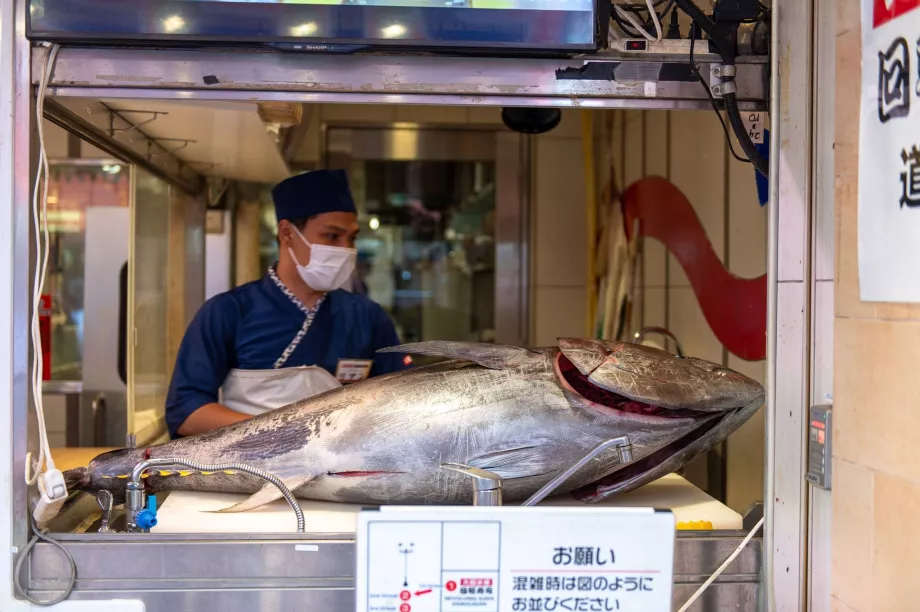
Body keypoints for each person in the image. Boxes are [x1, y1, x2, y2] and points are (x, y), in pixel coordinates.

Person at [165, 170, 411, 439]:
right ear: (287, 233)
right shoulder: (228, 312)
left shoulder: (367, 317)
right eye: (332, 236)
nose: (346, 249)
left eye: (351, 238)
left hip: (337, 468)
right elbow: (187, 413)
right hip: (247, 467)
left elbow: (403, 402)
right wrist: (280, 432)